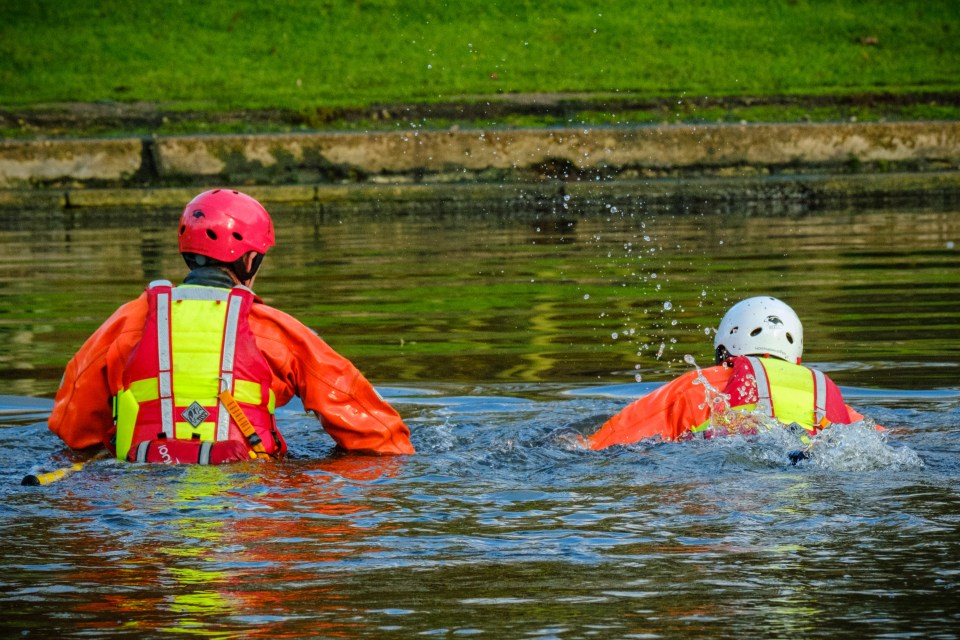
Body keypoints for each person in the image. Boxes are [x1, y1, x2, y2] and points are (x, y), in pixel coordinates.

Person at [48, 188, 414, 464]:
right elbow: (374, 430)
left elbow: (72, 427)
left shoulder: (127, 322)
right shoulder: (271, 329)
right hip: (245, 497)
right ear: (251, 261)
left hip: (143, 491)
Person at [588, 296, 868, 450]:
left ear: (725, 349)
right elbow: (879, 436)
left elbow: (607, 441)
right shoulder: (821, 393)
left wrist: (568, 443)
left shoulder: (699, 386)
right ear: (796, 356)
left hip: (739, 472)